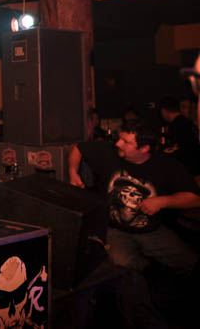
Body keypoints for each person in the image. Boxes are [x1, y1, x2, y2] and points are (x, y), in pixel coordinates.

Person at [68, 119, 200, 328]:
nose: (118, 144)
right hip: (116, 230)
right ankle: (147, 321)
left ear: (144, 148)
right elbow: (78, 148)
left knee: (190, 261)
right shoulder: (109, 153)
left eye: (126, 142)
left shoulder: (166, 165)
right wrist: (73, 172)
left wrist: (163, 201)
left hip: (152, 231)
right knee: (126, 270)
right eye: (120, 139)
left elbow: (194, 199)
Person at [160, 96, 200, 180]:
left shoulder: (176, 126)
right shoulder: (187, 122)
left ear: (164, 111)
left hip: (188, 170)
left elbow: (178, 149)